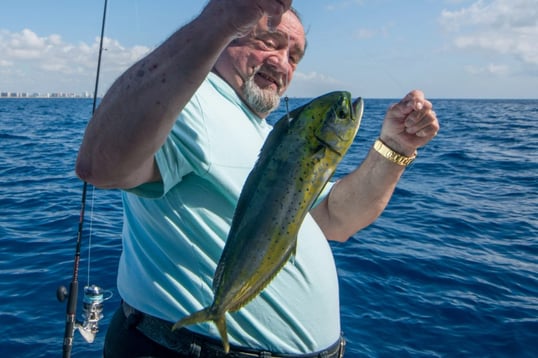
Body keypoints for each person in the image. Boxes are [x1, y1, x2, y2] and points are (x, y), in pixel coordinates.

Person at [76, 1, 439, 357]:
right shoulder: (192, 102)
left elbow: (335, 220)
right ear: (228, 37)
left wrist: (393, 149)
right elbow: (102, 164)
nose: (282, 63)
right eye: (268, 42)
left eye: (294, 56)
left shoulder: (270, 135)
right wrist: (220, 17)